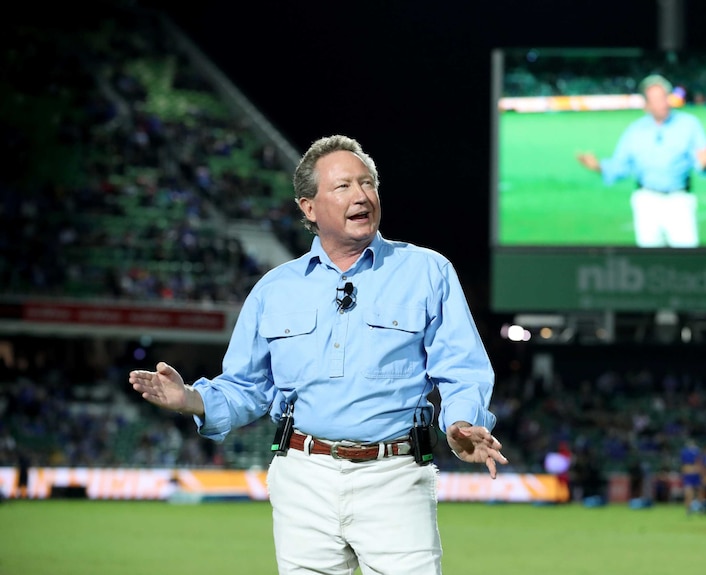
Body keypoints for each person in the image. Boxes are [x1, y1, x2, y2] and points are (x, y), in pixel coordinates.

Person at [129, 134, 508, 574]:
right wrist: (191, 399)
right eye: (343, 186)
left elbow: (461, 368)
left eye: (367, 184)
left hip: (395, 478)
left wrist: (461, 422)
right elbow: (246, 387)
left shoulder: (427, 271)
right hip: (302, 479)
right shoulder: (274, 289)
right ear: (309, 208)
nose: (361, 195)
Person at [576, 74, 706, 248]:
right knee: (648, 258)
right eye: (656, 99)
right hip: (647, 201)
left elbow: (703, 161)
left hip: (679, 200)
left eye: (664, 97)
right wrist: (598, 167)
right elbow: (621, 166)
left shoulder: (689, 124)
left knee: (686, 257)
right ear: (646, 105)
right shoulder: (635, 131)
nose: (662, 103)